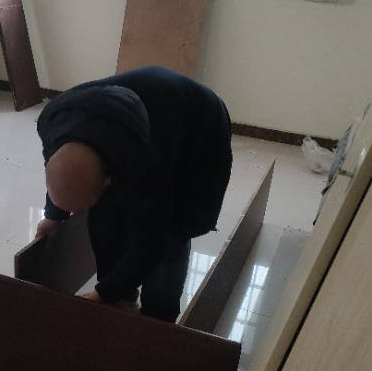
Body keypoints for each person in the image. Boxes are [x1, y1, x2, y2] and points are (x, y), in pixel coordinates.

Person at [36, 66, 232, 323]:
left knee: (174, 232)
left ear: (108, 179)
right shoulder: (52, 121)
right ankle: (121, 296)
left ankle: (158, 318)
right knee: (104, 217)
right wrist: (54, 215)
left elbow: (153, 237)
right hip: (147, 113)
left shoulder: (148, 160)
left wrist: (104, 294)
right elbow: (63, 170)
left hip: (200, 125)